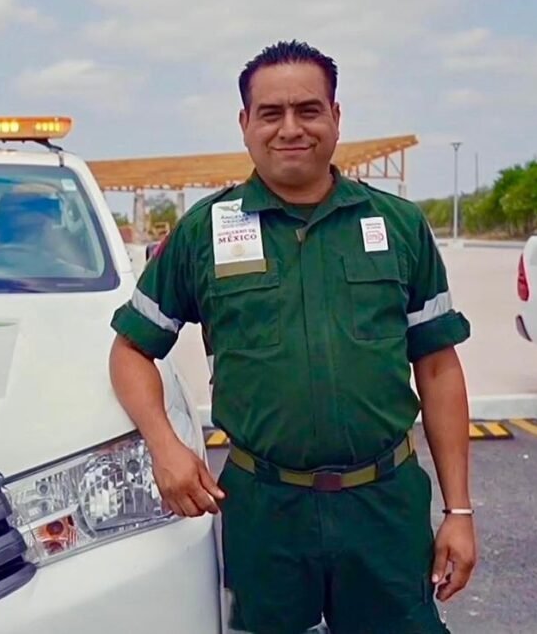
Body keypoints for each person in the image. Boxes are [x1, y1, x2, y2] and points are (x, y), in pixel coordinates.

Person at [108, 40, 476, 634]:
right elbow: (131, 350)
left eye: (308, 110)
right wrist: (165, 447)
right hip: (265, 509)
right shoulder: (204, 231)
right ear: (245, 124)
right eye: (271, 113)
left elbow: (438, 368)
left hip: (384, 505)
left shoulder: (399, 225)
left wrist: (459, 510)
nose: (290, 129)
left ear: (336, 117)